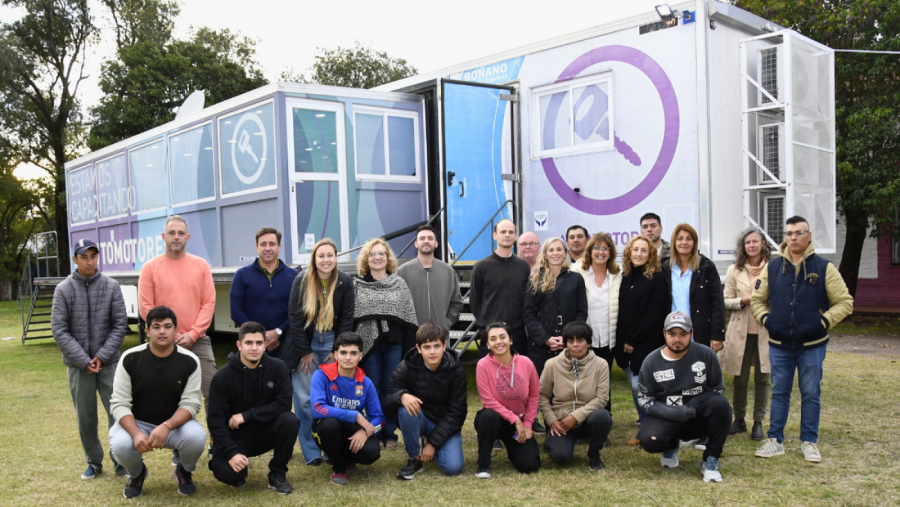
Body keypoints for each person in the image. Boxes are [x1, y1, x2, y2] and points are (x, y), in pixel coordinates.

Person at [752, 216, 853, 463]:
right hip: (780, 345)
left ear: (809, 236)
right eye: (789, 233)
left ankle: (809, 442)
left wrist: (822, 322)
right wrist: (767, 320)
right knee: (780, 392)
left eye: (799, 232)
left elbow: (845, 302)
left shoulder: (824, 267)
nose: (793, 237)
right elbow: (756, 299)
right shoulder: (772, 268)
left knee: (810, 393)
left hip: (812, 346)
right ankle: (775, 440)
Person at [109, 306, 207, 498]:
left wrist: (166, 426)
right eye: (156, 326)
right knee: (120, 445)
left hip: (174, 425)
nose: (162, 331)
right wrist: (136, 433)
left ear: (176, 330)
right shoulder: (129, 358)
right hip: (138, 424)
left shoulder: (190, 360)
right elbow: (119, 403)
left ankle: (184, 471)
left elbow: (191, 404)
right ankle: (137, 474)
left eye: (168, 326)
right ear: (147, 331)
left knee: (196, 438)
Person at [52, 238, 128, 479]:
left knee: (116, 412)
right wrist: (84, 360)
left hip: (109, 363)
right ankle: (94, 462)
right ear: (75, 260)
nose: (89, 261)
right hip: (78, 366)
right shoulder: (63, 289)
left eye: (93, 256)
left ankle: (120, 461)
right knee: (85, 416)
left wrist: (101, 357)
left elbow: (119, 325)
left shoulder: (111, 286)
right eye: (84, 257)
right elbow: (59, 330)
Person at [636, 311, 732, 483]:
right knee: (649, 441)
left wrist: (691, 407)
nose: (677, 340)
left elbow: (717, 388)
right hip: (666, 414)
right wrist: (674, 413)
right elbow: (644, 399)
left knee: (721, 405)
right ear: (664, 333)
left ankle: (710, 460)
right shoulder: (651, 361)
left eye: (683, 334)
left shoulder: (706, 355)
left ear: (692, 334)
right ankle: (671, 445)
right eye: (672, 334)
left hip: (697, 415)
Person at [138, 215, 217, 422]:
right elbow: (146, 308)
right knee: (171, 397)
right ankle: (179, 448)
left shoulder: (200, 266)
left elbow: (208, 303)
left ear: (188, 237)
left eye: (181, 233)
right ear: (163, 236)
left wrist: (192, 334)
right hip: (164, 343)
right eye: (171, 233)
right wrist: (171, 334)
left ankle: (217, 443)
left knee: (213, 393)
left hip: (197, 341)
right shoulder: (150, 268)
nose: (176, 237)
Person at [283, 238, 355, 466]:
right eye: (321, 255)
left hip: (333, 342)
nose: (326, 260)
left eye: (330, 255)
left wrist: (338, 350)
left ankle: (328, 446)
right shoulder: (302, 280)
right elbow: (294, 318)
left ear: (336, 258)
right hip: (306, 342)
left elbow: (346, 318)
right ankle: (311, 451)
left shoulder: (344, 281)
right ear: (314, 258)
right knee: (305, 400)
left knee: (331, 398)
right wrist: (304, 351)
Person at [207, 322, 298, 494]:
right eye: (249, 343)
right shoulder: (222, 377)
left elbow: (284, 404)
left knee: (289, 420)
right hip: (235, 436)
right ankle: (222, 454)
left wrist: (247, 415)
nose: (254, 348)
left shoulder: (278, 367)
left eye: (259, 343)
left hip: (264, 431)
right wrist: (231, 453)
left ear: (265, 345)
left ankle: (277, 473)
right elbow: (215, 420)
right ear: (239, 345)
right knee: (232, 476)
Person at [354, 238, 419, 449]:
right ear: (366, 259)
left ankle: (390, 433)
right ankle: (375, 431)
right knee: (373, 389)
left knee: (391, 390)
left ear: (388, 258)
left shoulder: (398, 283)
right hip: (369, 345)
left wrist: (411, 350)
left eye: (382, 253)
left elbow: (408, 317)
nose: (377, 257)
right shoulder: (358, 284)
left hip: (394, 344)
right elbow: (353, 317)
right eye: (373, 254)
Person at [385, 323, 467, 480]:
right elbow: (387, 402)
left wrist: (433, 444)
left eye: (436, 346)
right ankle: (415, 459)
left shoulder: (456, 370)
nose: (432, 352)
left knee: (453, 468)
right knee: (405, 408)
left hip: (445, 422)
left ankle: (433, 442)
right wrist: (402, 396)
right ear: (418, 348)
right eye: (427, 347)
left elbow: (458, 412)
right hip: (420, 418)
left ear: (444, 346)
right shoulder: (405, 367)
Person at [310, 332, 384, 486]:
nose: (348, 357)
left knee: (372, 452)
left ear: (360, 356)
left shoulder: (366, 383)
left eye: (353, 353)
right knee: (330, 425)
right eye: (343, 353)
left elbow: (380, 419)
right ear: (336, 355)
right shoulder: (321, 375)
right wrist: (355, 416)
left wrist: (364, 432)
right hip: (326, 428)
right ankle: (338, 467)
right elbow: (318, 409)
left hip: (351, 430)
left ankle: (347, 459)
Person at [538, 321, 612, 471]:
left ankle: (594, 453)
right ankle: (554, 442)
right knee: (561, 458)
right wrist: (552, 421)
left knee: (603, 417)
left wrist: (575, 417)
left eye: (581, 340)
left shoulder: (600, 364)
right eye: (571, 341)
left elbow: (602, 398)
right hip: (562, 423)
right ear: (566, 344)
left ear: (589, 343)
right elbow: (542, 396)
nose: (575, 345)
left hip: (588, 420)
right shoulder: (552, 364)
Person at [720, 227, 772, 440]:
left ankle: (758, 421)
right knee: (740, 379)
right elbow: (725, 300)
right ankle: (739, 419)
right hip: (741, 330)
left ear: (762, 244)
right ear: (743, 246)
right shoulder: (735, 270)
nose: (751, 245)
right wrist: (744, 300)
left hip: (766, 330)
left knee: (763, 378)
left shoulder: (773, 267)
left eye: (755, 241)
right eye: (747, 242)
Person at [473, 322, 542, 478]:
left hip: (518, 425)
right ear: (488, 344)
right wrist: (515, 420)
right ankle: (483, 464)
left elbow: (534, 395)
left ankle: (514, 450)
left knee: (530, 465)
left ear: (511, 339)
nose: (498, 342)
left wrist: (527, 423)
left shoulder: (526, 363)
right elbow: (488, 401)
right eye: (493, 339)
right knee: (488, 416)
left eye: (502, 337)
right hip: (494, 421)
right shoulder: (482, 365)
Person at [616, 235, 669, 427]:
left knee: (641, 386)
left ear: (651, 254)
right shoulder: (626, 276)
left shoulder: (656, 277)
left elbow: (652, 314)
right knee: (634, 385)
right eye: (635, 249)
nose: (639, 254)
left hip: (645, 341)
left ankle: (652, 423)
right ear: (629, 252)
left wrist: (632, 339)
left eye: (644, 250)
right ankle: (644, 420)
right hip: (625, 342)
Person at [229, 227, 299, 360]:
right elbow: (236, 311)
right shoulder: (242, 275)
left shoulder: (293, 276)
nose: (267, 248)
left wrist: (278, 332)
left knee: (283, 379)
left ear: (279, 247)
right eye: (263, 244)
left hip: (285, 344)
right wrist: (259, 337)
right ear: (257, 247)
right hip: (252, 345)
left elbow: (298, 311)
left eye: (272, 244)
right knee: (251, 380)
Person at [523, 237, 588, 376]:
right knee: (541, 389)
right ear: (545, 254)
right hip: (540, 345)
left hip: (569, 343)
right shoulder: (534, 280)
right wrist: (545, 338)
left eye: (559, 249)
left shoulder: (576, 279)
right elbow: (528, 314)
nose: (555, 253)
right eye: (551, 250)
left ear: (565, 253)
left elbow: (582, 311)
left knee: (567, 389)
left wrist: (568, 337)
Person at [469, 219, 532, 358]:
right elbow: (474, 301)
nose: (507, 235)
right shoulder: (481, 266)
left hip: (518, 334)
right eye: (503, 232)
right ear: (495, 235)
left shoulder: (523, 266)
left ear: (516, 236)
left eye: (511, 232)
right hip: (491, 335)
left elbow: (527, 299)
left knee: (519, 376)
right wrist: (485, 325)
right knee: (490, 377)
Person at [662, 223, 726, 351]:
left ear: (694, 243)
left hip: (699, 334)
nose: (684, 242)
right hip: (671, 335)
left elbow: (717, 303)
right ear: (674, 242)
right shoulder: (664, 268)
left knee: (700, 369)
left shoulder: (707, 267)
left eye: (689, 238)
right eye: (680, 238)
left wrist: (717, 335)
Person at [568, 232, 621, 379]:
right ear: (590, 251)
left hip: (607, 340)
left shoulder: (618, 274)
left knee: (604, 384)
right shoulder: (576, 272)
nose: (601, 252)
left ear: (611, 253)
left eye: (605, 248)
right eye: (596, 248)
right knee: (583, 385)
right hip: (583, 338)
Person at [397, 224, 463, 336]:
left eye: (430, 238)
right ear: (416, 244)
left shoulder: (448, 271)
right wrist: (408, 327)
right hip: (412, 339)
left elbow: (456, 303)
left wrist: (445, 325)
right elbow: (396, 305)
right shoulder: (402, 272)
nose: (426, 241)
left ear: (436, 244)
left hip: (441, 338)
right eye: (422, 238)